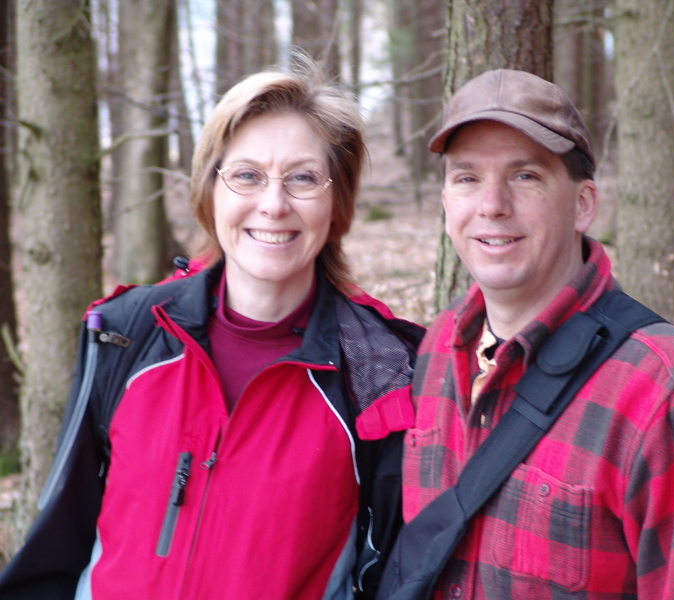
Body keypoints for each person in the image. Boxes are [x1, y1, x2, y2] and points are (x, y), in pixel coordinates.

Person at [0, 55, 423, 600]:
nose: (273, 204)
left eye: (302, 178)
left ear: (337, 202)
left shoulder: (381, 372)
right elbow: (61, 540)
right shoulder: (126, 331)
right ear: (210, 191)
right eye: (247, 175)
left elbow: (386, 576)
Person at [397, 69, 674, 599]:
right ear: (445, 203)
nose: (492, 204)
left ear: (583, 204)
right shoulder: (438, 347)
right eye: (467, 178)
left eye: (525, 175)